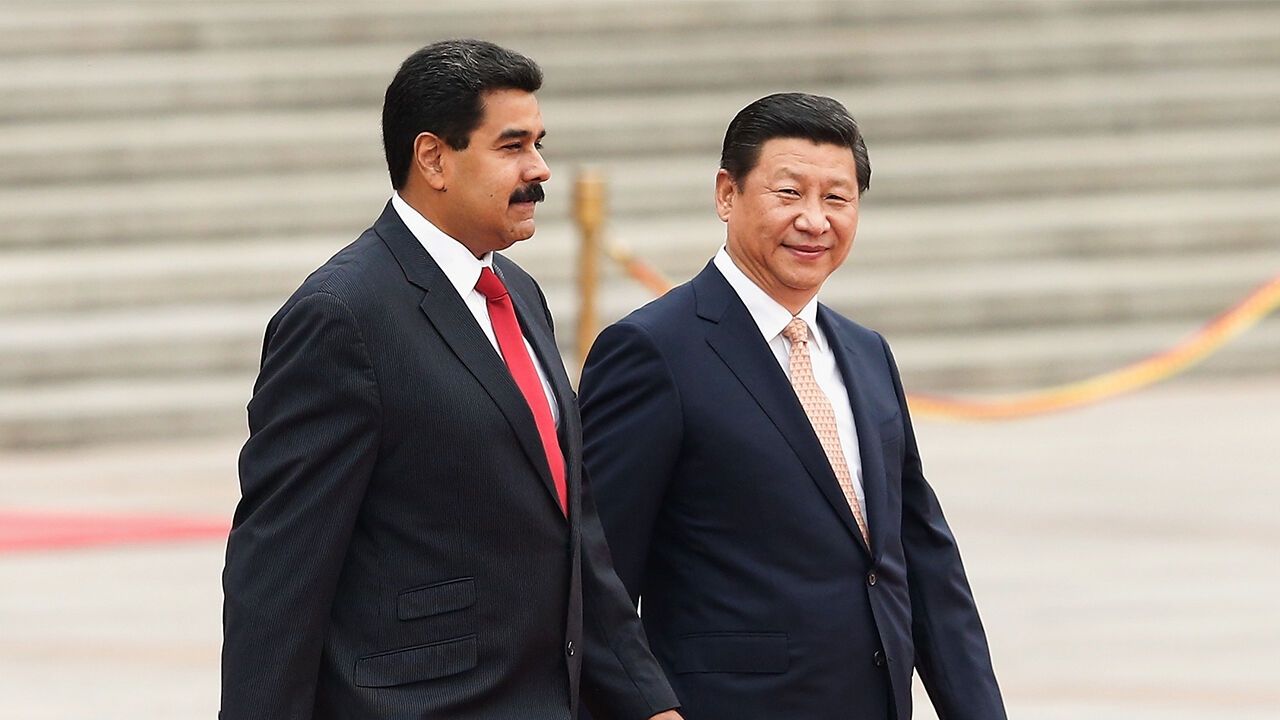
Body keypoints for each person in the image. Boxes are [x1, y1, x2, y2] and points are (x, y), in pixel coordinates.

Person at [221, 39, 682, 720]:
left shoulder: (518, 293)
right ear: (433, 159)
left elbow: (574, 534)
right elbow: (278, 576)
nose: (540, 169)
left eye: (539, 144)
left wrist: (649, 703)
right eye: (512, 146)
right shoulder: (341, 316)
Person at [578, 93, 1006, 720]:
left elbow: (922, 561)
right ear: (727, 194)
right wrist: (645, 709)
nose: (814, 220)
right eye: (789, 194)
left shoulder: (866, 352)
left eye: (837, 198)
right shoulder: (652, 351)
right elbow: (596, 571)